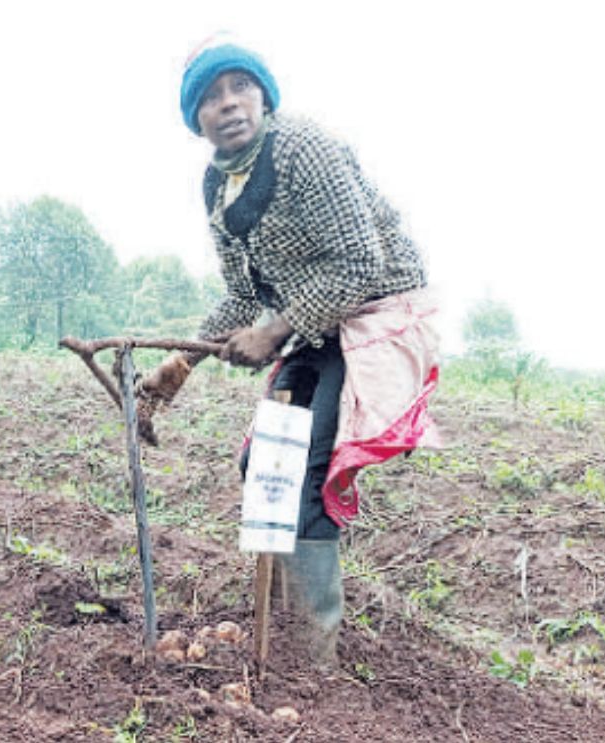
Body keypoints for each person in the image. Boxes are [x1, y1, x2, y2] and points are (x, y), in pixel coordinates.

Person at [140, 36, 440, 666]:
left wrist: (275, 332)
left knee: (302, 473)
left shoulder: (304, 147)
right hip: (312, 326)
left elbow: (362, 261)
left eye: (240, 88)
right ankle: (277, 633)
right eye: (211, 98)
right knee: (263, 465)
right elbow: (244, 295)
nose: (229, 105)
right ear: (196, 120)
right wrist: (183, 361)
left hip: (371, 315)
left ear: (264, 96)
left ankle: (310, 661)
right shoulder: (217, 187)